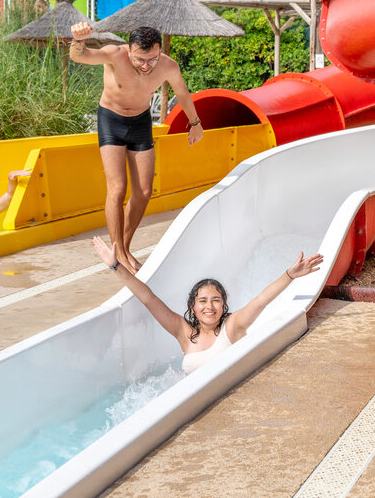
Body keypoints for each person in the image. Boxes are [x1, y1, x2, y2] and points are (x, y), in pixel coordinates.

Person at [70, 21, 203, 274]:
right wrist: (78, 41)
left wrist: (195, 123)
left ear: (159, 52)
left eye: (151, 60)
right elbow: (81, 56)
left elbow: (183, 94)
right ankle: (118, 252)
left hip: (141, 122)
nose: (145, 66)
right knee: (118, 188)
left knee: (144, 190)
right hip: (111, 119)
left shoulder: (168, 66)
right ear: (129, 51)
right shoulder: (114, 54)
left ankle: (124, 249)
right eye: (140, 59)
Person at [90, 235, 323, 373]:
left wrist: (289, 275)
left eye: (216, 301)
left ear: (223, 306)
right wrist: (115, 267)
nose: (209, 306)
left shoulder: (233, 327)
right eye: (202, 301)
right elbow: (149, 299)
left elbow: (262, 299)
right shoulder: (184, 333)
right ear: (193, 307)